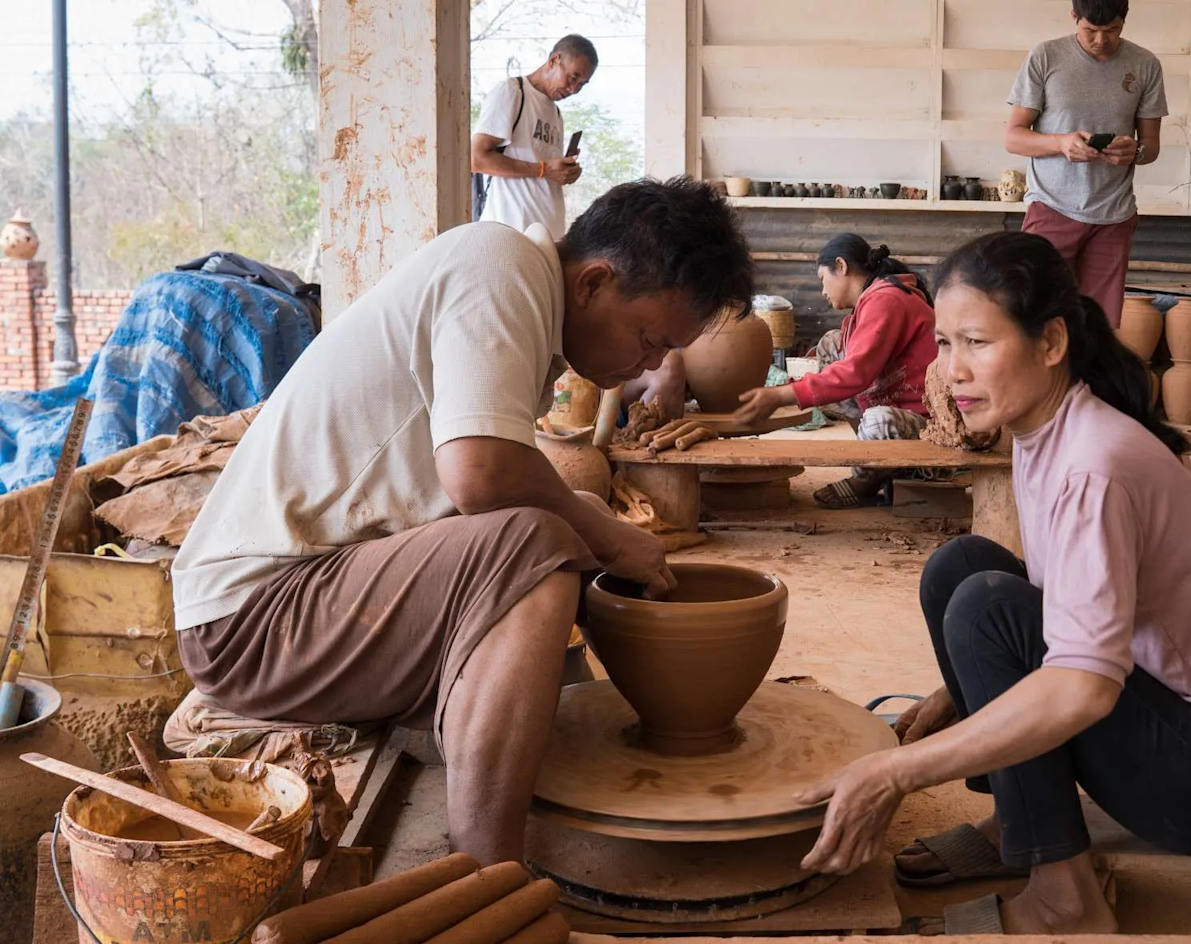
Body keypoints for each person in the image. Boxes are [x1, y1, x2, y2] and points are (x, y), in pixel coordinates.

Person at [170, 178, 755, 868]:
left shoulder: (523, 301)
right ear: (594, 282)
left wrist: (592, 527)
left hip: (309, 601)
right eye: (650, 340)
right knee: (540, 534)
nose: (651, 366)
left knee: (568, 528)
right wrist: (597, 532)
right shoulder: (498, 265)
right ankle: (484, 872)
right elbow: (481, 476)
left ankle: (532, 762)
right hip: (251, 621)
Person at [793, 231, 1191, 935]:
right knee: (962, 568)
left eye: (976, 342)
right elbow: (1060, 595)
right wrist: (961, 692)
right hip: (1168, 719)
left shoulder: (1091, 462)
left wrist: (896, 774)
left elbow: (1085, 684)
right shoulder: (1045, 428)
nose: (951, 371)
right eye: (943, 345)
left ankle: (1066, 899)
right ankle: (1019, 823)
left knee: (985, 607)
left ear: (1052, 342)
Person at [734, 233, 938, 509]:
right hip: (898, 404)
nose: (822, 291)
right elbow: (848, 368)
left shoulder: (887, 300)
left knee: (878, 420)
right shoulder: (873, 301)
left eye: (822, 279)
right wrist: (793, 387)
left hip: (928, 426)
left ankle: (864, 482)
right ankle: (872, 457)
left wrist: (782, 395)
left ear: (841, 266)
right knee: (832, 343)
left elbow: (855, 374)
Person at [1004, 0, 1165, 327]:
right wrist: (1061, 143)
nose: (1101, 40)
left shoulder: (1145, 64)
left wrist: (1134, 152)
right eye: (1090, 30)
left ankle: (1086, 380)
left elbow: (1152, 147)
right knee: (1035, 318)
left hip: (1113, 215)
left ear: (1125, 20)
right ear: (1074, 17)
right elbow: (1013, 138)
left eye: (1112, 31)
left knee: (1097, 327)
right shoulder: (1046, 56)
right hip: (1051, 207)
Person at [471, 34, 599, 236]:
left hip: (547, 239)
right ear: (554, 60)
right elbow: (476, 159)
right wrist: (543, 169)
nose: (574, 89)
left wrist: (563, 173)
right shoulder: (513, 92)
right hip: (509, 235)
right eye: (573, 77)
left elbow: (544, 173)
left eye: (582, 84)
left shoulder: (555, 113)